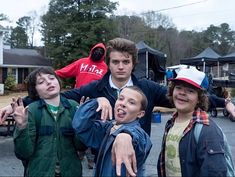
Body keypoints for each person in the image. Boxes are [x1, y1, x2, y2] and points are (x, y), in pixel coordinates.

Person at [1, 38, 235, 176]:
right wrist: (17, 106)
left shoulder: (148, 88)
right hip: (101, 160)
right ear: (108, 63)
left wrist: (224, 102)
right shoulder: (95, 88)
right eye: (115, 62)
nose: (120, 66)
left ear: (133, 63)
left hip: (136, 163)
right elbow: (60, 96)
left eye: (126, 62)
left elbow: (183, 97)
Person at [157, 67, 235, 177]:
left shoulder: (208, 131)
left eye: (190, 91)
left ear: (199, 98)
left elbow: (215, 172)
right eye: (178, 87)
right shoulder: (171, 123)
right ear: (172, 90)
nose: (182, 93)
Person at [11, 67, 87, 177]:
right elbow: (24, 153)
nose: (48, 82)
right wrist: (22, 126)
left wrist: (82, 124)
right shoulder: (31, 111)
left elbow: (81, 146)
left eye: (52, 78)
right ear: (35, 90)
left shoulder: (73, 107)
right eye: (41, 82)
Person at [72, 86, 152, 176]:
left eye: (131, 102)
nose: (123, 104)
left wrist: (125, 136)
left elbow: (140, 140)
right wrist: (97, 102)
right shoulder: (107, 128)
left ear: (140, 114)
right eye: (121, 99)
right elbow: (80, 125)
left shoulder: (139, 133)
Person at [56, 43, 107, 169]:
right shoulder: (82, 62)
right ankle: (78, 152)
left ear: (104, 54)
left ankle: (91, 157)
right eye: (96, 50)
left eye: (101, 51)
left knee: (92, 126)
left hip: (96, 102)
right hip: (78, 98)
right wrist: (50, 75)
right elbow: (66, 71)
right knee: (76, 124)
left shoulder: (105, 67)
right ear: (92, 50)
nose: (98, 52)